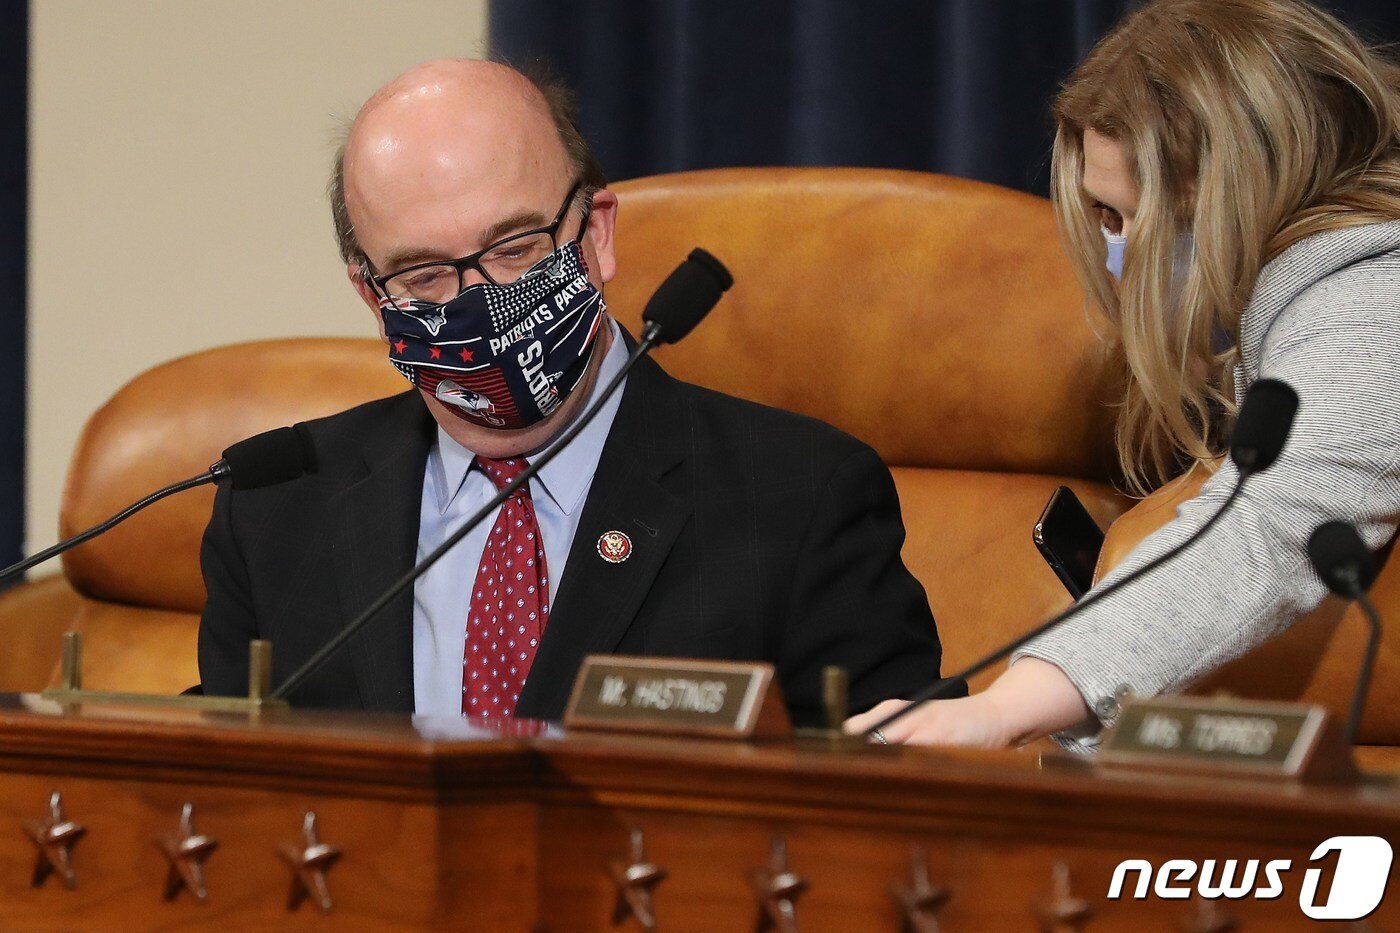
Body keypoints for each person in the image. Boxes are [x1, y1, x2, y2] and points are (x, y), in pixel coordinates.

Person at [197, 59, 948, 726]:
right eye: (425, 275)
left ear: (597, 233)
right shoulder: (273, 510)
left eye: (516, 247)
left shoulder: (802, 497)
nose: (481, 300)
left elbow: (901, 806)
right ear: (372, 296)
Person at [849, 0, 1400, 747]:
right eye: (1105, 218)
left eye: (1133, 216)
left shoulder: (1374, 299)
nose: (1121, 252)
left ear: (1237, 190)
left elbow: (1268, 526)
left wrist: (1001, 709)